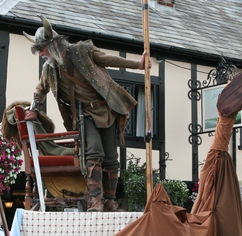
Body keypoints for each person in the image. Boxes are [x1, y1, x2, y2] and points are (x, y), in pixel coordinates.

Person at [26, 15, 149, 212]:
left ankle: (110, 201)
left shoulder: (82, 50)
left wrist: (138, 65)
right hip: (84, 115)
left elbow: (107, 59)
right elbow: (40, 90)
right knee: (94, 152)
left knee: (111, 157)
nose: (40, 53)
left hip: (106, 109)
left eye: (41, 48)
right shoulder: (49, 69)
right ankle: (95, 201)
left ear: (53, 44)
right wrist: (34, 109)